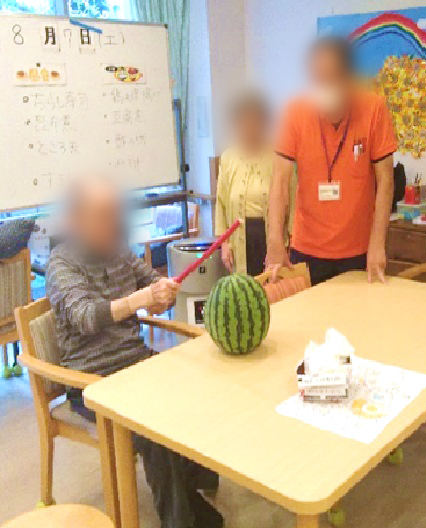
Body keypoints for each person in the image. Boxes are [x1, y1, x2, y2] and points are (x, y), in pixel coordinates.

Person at [46, 178, 222, 528]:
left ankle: (192, 481)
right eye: (103, 215)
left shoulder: (118, 250)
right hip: (93, 380)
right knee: (151, 422)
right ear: (79, 220)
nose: (113, 222)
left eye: (114, 213)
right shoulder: (60, 264)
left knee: (198, 386)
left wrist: (163, 293)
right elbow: (86, 317)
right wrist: (140, 300)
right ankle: (180, 518)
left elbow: (150, 283)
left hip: (135, 363)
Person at [266, 36, 397, 285]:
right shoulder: (295, 112)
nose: (324, 86)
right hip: (306, 249)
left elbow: (386, 182)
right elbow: (279, 182)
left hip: (358, 250)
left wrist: (378, 243)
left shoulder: (373, 109)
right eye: (318, 79)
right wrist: (274, 241)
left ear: (348, 77)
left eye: (331, 77)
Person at [216, 91, 293, 275]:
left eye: (255, 120)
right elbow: (221, 203)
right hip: (240, 240)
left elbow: (292, 200)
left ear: (264, 122)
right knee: (244, 288)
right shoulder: (228, 158)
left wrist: (291, 242)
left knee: (273, 285)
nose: (249, 126)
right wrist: (223, 243)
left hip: (270, 238)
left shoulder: (279, 155)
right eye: (244, 120)